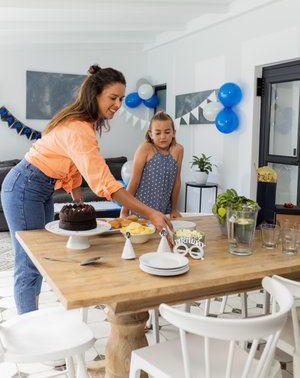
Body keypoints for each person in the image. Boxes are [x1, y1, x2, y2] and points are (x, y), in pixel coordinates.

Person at [1, 65, 173, 315]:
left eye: (122, 98)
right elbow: (105, 184)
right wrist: (152, 213)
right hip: (25, 187)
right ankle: (29, 325)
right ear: (95, 94)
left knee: (38, 259)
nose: (118, 104)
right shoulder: (79, 128)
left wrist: (78, 200)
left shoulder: (86, 124)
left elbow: (72, 166)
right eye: (113, 98)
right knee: (29, 262)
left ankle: (33, 316)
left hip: (39, 187)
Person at [120, 111, 184, 220]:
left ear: (174, 133)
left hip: (164, 210)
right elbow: (134, 181)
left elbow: (176, 182)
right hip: (140, 210)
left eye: (167, 132)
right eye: (158, 133)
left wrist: (174, 209)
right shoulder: (145, 148)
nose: (163, 136)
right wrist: (124, 212)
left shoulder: (178, 150)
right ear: (151, 134)